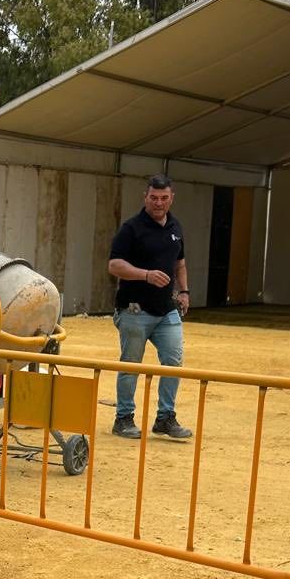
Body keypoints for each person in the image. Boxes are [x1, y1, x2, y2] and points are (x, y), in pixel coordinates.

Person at [107, 175, 193, 439]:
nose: (159, 203)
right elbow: (114, 265)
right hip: (135, 310)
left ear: (171, 198)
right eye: (154, 198)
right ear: (145, 197)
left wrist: (184, 291)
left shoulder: (175, 226)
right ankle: (123, 419)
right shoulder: (131, 229)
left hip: (166, 310)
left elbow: (180, 263)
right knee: (131, 364)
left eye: (164, 198)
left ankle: (165, 418)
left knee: (173, 361)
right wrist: (145, 275)